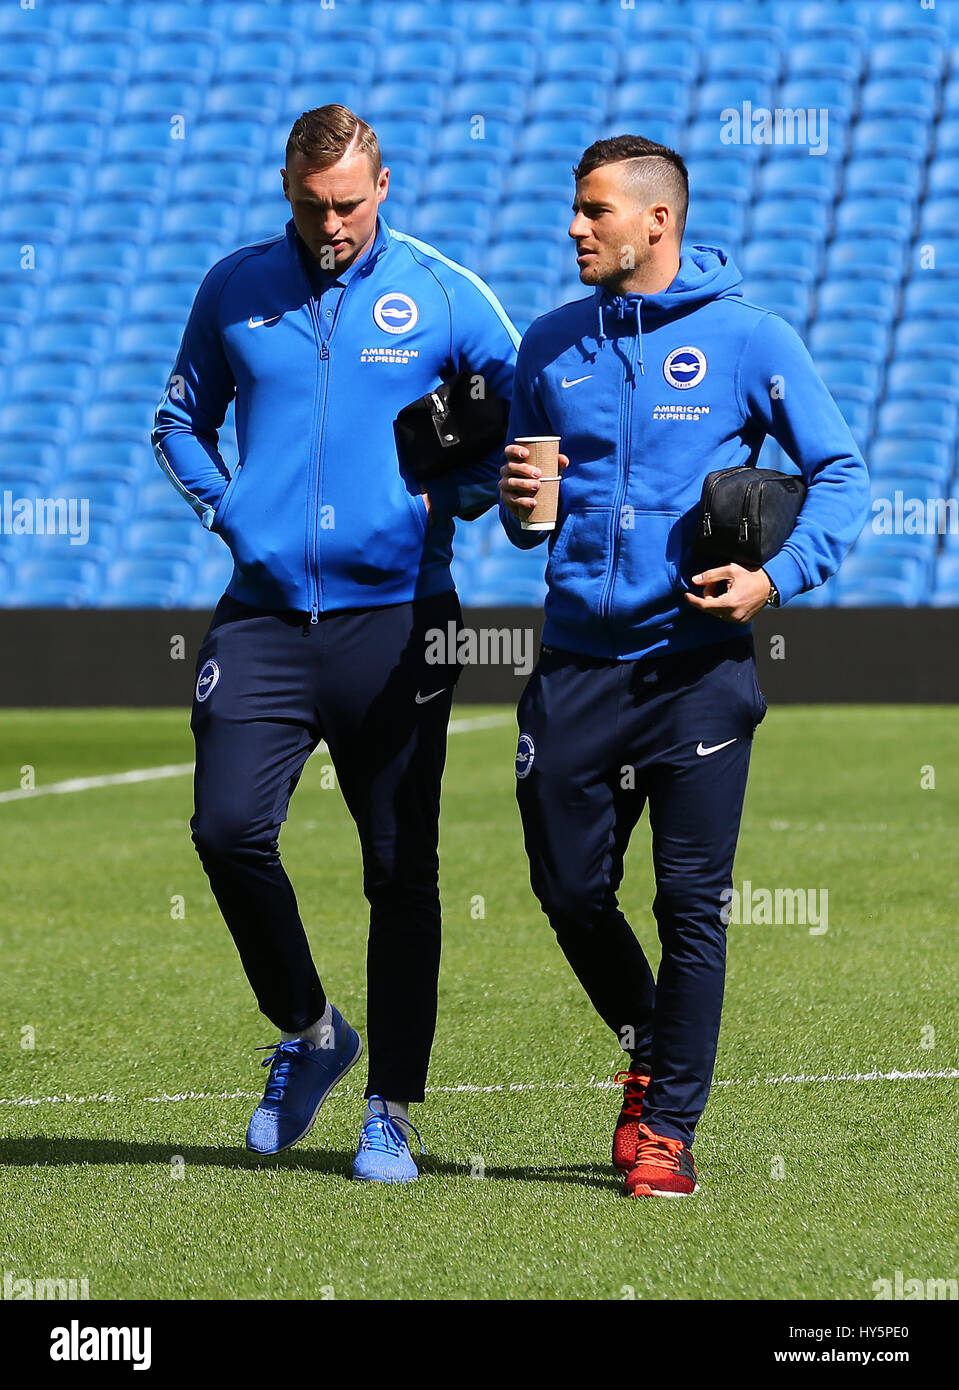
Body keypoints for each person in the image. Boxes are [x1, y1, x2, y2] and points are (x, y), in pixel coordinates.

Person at [153, 105, 518, 1183]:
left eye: (348, 204)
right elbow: (178, 421)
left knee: (399, 865)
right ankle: (310, 1030)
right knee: (225, 829)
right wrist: (237, 515)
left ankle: (390, 1110)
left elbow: (516, 423)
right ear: (284, 189)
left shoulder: (446, 294)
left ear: (384, 186)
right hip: (263, 615)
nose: (330, 226)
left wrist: (450, 492)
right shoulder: (234, 287)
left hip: (400, 615)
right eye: (310, 205)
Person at [499, 135, 869, 1198]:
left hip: (696, 670)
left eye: (593, 210)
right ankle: (653, 1043)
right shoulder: (549, 345)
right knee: (569, 890)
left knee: (689, 907)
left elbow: (838, 471)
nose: (574, 226)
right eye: (573, 209)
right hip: (573, 666)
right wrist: (529, 514)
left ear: (654, 222)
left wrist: (778, 576)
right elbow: (529, 511)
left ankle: (665, 1127)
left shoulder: (750, 339)